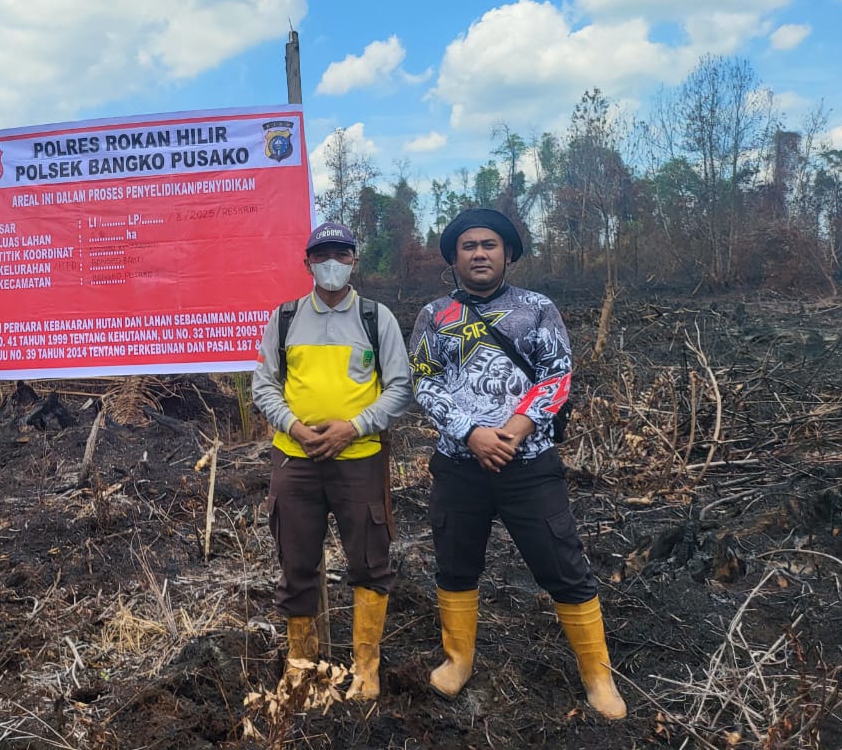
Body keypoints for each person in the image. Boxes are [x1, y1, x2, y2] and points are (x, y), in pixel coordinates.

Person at [409, 207, 626, 720]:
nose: (479, 253)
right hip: (459, 466)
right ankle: (458, 660)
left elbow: (557, 375)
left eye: (489, 245)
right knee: (455, 564)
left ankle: (597, 675)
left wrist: (515, 429)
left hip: (529, 464)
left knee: (563, 564)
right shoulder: (433, 316)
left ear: (507, 254)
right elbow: (424, 382)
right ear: (454, 258)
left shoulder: (538, 308)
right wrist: (472, 433)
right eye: (468, 246)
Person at [252, 221, 412, 701]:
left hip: (360, 458)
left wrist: (353, 427)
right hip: (295, 460)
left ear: (354, 261)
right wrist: (295, 428)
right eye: (322, 255)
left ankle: (366, 668)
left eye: (342, 254)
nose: (332, 263)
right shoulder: (283, 319)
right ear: (307, 263)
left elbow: (401, 388)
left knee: (369, 560)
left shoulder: (375, 317)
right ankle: (300, 666)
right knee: (296, 561)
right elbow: (264, 386)